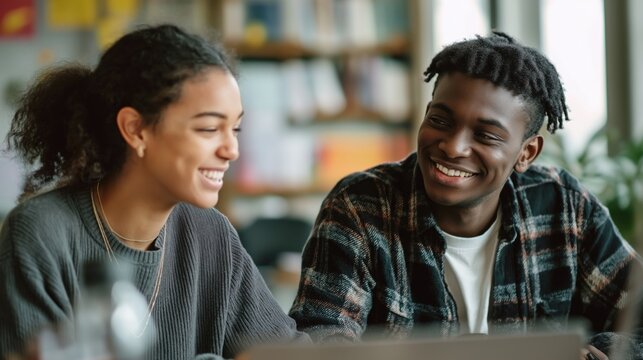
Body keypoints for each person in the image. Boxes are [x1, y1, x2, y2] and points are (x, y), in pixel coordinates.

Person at [289, 31, 643, 359]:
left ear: (527, 153)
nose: (453, 147)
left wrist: (594, 354)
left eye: (486, 136)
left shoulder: (565, 208)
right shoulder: (359, 207)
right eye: (441, 121)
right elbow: (323, 343)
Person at [0, 24, 307, 359]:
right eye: (209, 128)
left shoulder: (212, 234)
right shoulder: (40, 234)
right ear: (136, 129)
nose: (232, 149)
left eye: (235, 129)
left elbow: (290, 354)